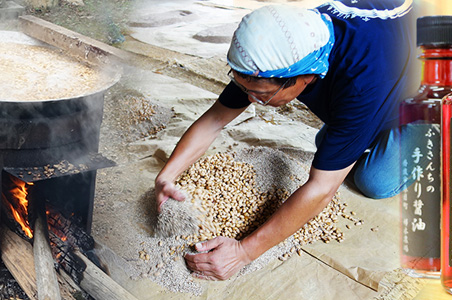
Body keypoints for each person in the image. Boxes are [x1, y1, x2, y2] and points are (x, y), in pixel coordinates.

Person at [154, 0, 415, 281]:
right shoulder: (278, 54)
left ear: (305, 76)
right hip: (383, 73)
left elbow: (321, 189)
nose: (253, 100)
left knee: (374, 180)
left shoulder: (361, 84)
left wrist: (243, 252)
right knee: (332, 142)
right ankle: (367, 128)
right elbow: (216, 119)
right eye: (246, 90)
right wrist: (166, 176)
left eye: (262, 95)